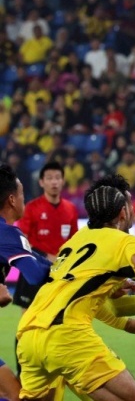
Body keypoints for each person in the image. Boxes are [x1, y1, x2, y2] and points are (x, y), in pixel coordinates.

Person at [16, 174, 135, 401]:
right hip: (67, 336)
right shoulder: (124, 241)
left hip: (28, 334)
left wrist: (126, 320)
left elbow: (87, 298)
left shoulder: (76, 240)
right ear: (123, 212)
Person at [0, 164, 52, 401]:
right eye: (22, 194)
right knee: (15, 396)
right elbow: (36, 275)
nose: (25, 200)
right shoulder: (8, 234)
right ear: (12, 199)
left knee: (14, 394)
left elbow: (40, 263)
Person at [14, 162, 79, 311]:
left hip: (60, 270)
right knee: (28, 314)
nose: (54, 182)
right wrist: (46, 256)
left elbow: (75, 241)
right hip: (34, 267)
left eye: (57, 178)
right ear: (41, 182)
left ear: (63, 181)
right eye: (49, 178)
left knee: (60, 314)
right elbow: (23, 240)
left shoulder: (71, 209)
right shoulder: (31, 208)